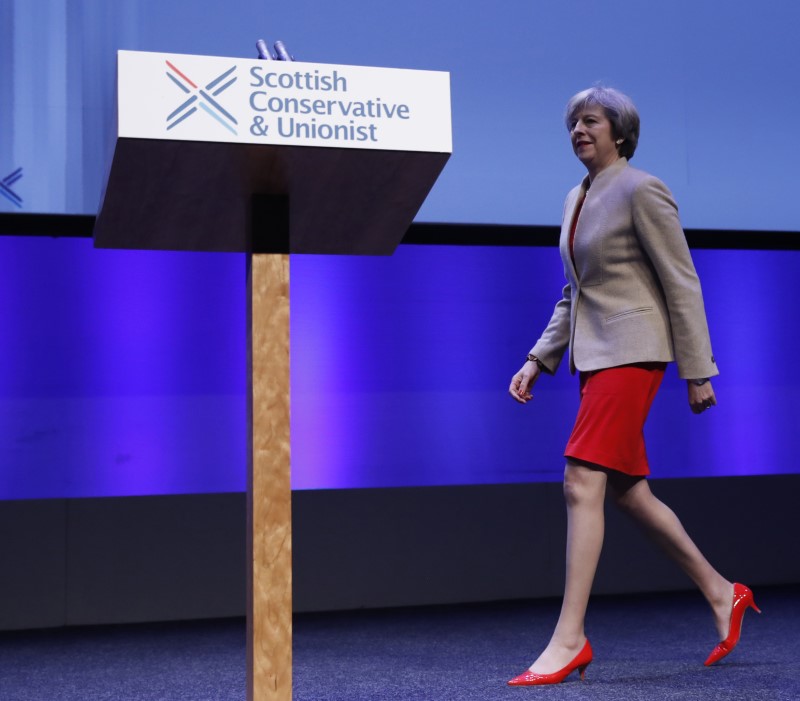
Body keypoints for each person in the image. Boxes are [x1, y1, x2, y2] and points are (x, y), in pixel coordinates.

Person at [506, 86, 760, 686]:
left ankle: (569, 639)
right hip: (595, 359)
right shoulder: (576, 197)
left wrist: (699, 370)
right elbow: (577, 292)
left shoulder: (641, 187)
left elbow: (682, 281)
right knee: (627, 493)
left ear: (619, 132)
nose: (578, 130)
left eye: (590, 121)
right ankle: (725, 593)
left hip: (635, 352)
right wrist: (538, 359)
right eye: (572, 123)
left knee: (579, 482)